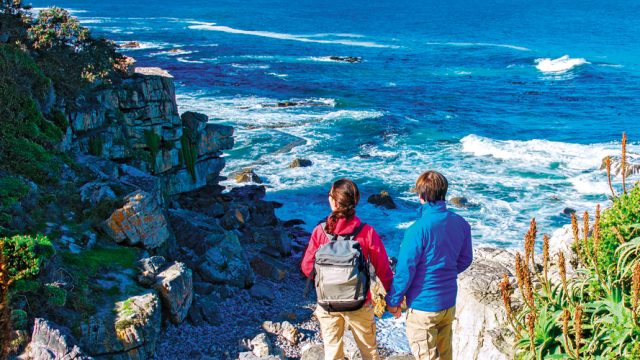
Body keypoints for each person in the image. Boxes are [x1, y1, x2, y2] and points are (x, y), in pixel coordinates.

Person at [301, 179, 393, 360]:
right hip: (359, 303)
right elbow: (383, 270)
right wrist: (393, 299)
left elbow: (306, 267)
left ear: (333, 201)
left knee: (333, 352)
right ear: (355, 202)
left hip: (328, 303)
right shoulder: (367, 232)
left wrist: (328, 280)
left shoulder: (320, 232)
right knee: (370, 353)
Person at [385, 171, 473, 360]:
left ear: (421, 196)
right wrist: (445, 271)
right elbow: (466, 259)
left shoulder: (417, 230)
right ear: (444, 193)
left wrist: (393, 301)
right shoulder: (461, 223)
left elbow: (405, 271)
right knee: (445, 354)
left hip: (423, 305)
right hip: (447, 302)